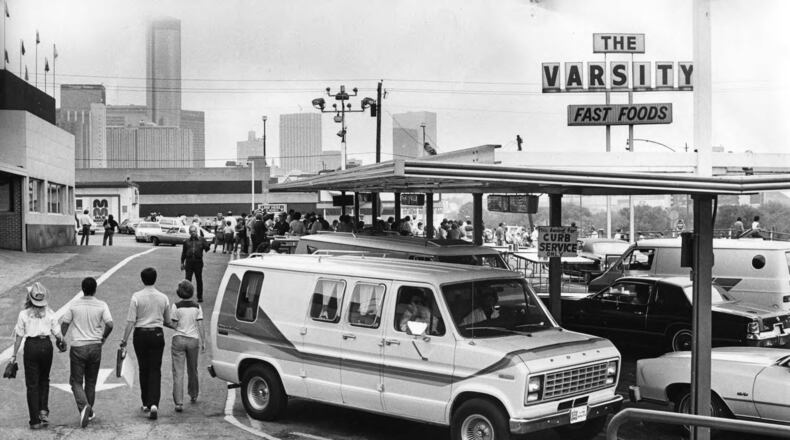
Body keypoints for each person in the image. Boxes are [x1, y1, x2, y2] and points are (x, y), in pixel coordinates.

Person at [12, 282, 67, 429]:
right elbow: (58, 332)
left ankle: (34, 420)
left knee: (32, 384)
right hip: (46, 346)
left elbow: (18, 336)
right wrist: (62, 341)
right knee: (44, 379)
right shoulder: (49, 313)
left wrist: (13, 356)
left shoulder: (23, 314)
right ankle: (43, 411)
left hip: (31, 346)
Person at [60, 277, 113, 428]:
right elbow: (110, 324)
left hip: (78, 346)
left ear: (82, 289)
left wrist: (61, 340)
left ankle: (84, 407)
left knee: (76, 381)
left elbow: (64, 324)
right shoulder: (101, 305)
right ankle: (88, 413)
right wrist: (103, 337)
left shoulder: (74, 304)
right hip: (95, 346)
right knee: (91, 381)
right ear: (95, 289)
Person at [120, 268, 172, 421]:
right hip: (157, 333)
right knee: (155, 368)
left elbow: (131, 320)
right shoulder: (163, 298)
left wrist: (124, 339)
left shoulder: (136, 297)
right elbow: (167, 321)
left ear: (142, 279)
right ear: (155, 279)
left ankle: (146, 403)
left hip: (140, 334)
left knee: (144, 368)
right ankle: (154, 403)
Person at [170, 280, 206, 412]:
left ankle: (178, 402)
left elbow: (173, 325)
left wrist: (164, 322)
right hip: (193, 340)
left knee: (178, 372)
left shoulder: (176, 306)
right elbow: (200, 324)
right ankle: (193, 394)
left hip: (178, 339)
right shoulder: (197, 307)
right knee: (193, 369)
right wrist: (204, 341)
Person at [181, 225, 210, 303]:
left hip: (198, 262)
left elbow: (207, 248)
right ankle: (186, 296)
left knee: (199, 280)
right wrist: (182, 263)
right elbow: (183, 253)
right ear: (189, 232)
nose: (193, 233)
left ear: (196, 231)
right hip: (189, 262)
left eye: (194, 231)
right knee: (187, 280)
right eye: (191, 232)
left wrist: (207, 245)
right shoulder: (186, 241)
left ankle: (200, 297)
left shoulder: (202, 240)